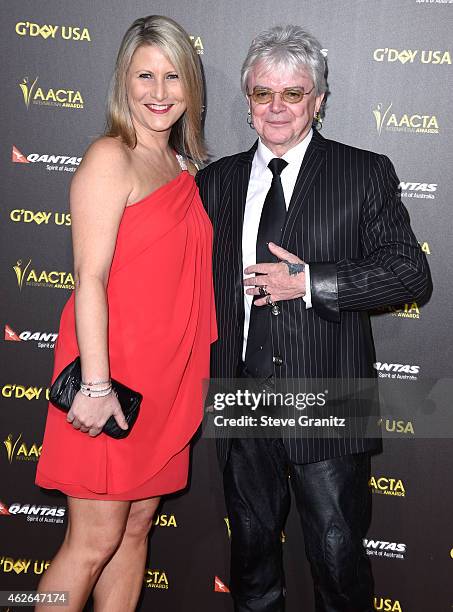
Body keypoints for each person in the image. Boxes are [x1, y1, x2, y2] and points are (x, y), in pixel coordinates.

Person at [196, 25, 430, 612]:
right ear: (247, 102)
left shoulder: (363, 171)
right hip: (241, 399)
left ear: (318, 101)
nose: (276, 107)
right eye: (262, 93)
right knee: (251, 570)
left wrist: (310, 282)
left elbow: (409, 273)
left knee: (339, 565)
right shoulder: (214, 182)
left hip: (328, 394)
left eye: (293, 94)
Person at [35, 15, 216, 611]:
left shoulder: (184, 170)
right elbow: (88, 276)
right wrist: (94, 383)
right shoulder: (110, 156)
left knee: (136, 529)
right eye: (145, 75)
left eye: (172, 76)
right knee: (93, 539)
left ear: (191, 87)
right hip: (110, 376)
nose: (159, 92)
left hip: (164, 383)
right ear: (124, 82)